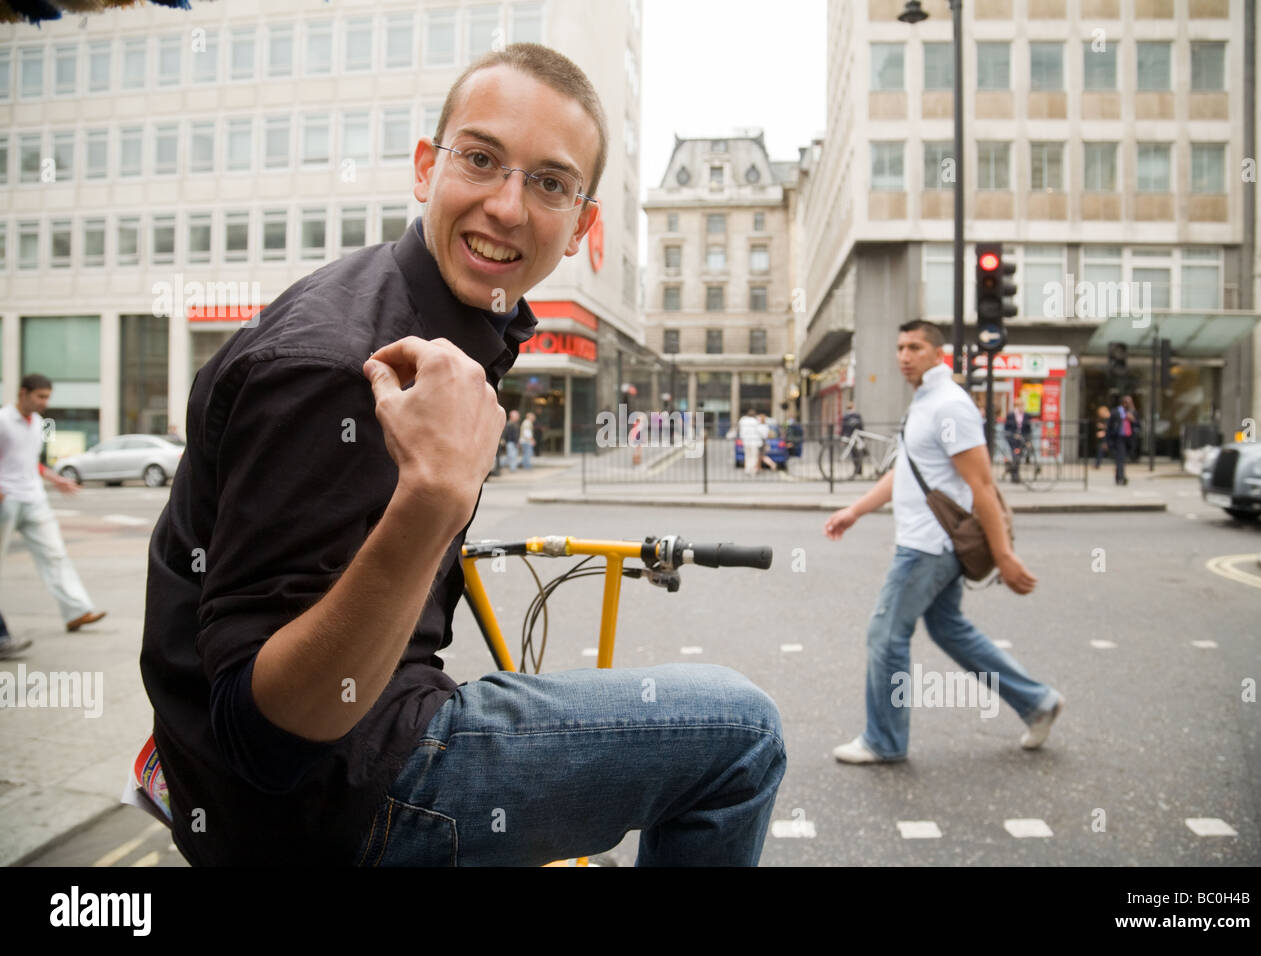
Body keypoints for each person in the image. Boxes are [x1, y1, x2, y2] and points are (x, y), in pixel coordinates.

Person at [139, 43, 784, 867]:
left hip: (340, 750)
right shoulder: (337, 368)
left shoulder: (438, 318)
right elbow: (267, 736)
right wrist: (433, 501)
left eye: (549, 182)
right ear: (425, 168)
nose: (508, 206)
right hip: (335, 803)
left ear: (583, 224)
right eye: (481, 159)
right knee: (741, 733)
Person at [823, 320, 1063, 763]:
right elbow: (906, 471)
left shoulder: (950, 405)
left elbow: (983, 486)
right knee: (949, 629)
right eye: (899, 347)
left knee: (885, 635)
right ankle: (1037, 702)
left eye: (915, 347)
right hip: (930, 542)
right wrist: (855, 511)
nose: (904, 355)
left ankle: (884, 740)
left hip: (928, 546)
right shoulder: (926, 402)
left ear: (938, 354)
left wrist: (1005, 556)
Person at [0, 373, 108, 639]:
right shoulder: (3, 421)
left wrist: (54, 479)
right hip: (6, 499)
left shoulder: (38, 423)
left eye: (47, 397)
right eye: (41, 396)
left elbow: (29, 461)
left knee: (55, 554)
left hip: (34, 498)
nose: (45, 402)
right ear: (23, 393)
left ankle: (76, 612)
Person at [1003, 395, 1033, 483]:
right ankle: (1014, 475)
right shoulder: (1011, 415)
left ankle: (1015, 473)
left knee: (1019, 457)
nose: (1021, 407)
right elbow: (1007, 428)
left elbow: (1028, 429)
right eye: (1020, 405)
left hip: (1022, 439)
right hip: (1013, 440)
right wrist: (1013, 435)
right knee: (1015, 456)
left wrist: (1028, 440)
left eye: (1022, 405)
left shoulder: (1027, 415)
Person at [1108, 396, 1130, 485]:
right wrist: (1108, 440)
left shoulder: (1130, 412)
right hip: (1118, 438)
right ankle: (1121, 477)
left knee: (1120, 459)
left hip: (1127, 439)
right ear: (1124, 403)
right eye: (1128, 402)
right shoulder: (1115, 412)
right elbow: (1109, 426)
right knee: (1120, 459)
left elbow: (1136, 424)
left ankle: (1119, 477)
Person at [840, 402, 865, 476]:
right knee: (858, 454)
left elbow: (843, 429)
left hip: (851, 438)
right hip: (856, 438)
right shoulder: (857, 416)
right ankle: (859, 470)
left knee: (854, 455)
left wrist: (842, 437)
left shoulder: (846, 417)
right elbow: (861, 427)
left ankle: (857, 470)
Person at [737, 408, 764, 475]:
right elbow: (761, 431)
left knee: (747, 456)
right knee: (754, 456)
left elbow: (740, 430)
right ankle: (752, 470)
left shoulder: (743, 420)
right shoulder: (755, 421)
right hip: (754, 441)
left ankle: (747, 469)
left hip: (746, 441)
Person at [1093, 405, 1110, 469]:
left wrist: (1103, 430)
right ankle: (1097, 464)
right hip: (1103, 438)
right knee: (1100, 450)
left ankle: (1097, 464)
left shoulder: (1109, 418)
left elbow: (1110, 428)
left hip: (1106, 437)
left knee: (1101, 450)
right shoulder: (1103, 419)